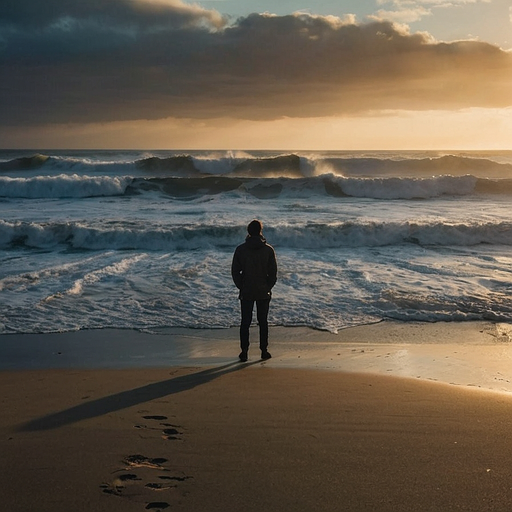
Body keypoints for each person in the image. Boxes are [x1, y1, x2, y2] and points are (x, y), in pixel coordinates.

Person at [231, 219, 277, 362]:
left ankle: (244, 351)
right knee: (263, 321)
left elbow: (235, 271)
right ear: (260, 231)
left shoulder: (241, 249)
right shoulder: (268, 250)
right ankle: (264, 350)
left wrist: (241, 286)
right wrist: (268, 286)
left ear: (248, 232)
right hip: (263, 291)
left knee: (245, 321)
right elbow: (273, 273)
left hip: (247, 290)